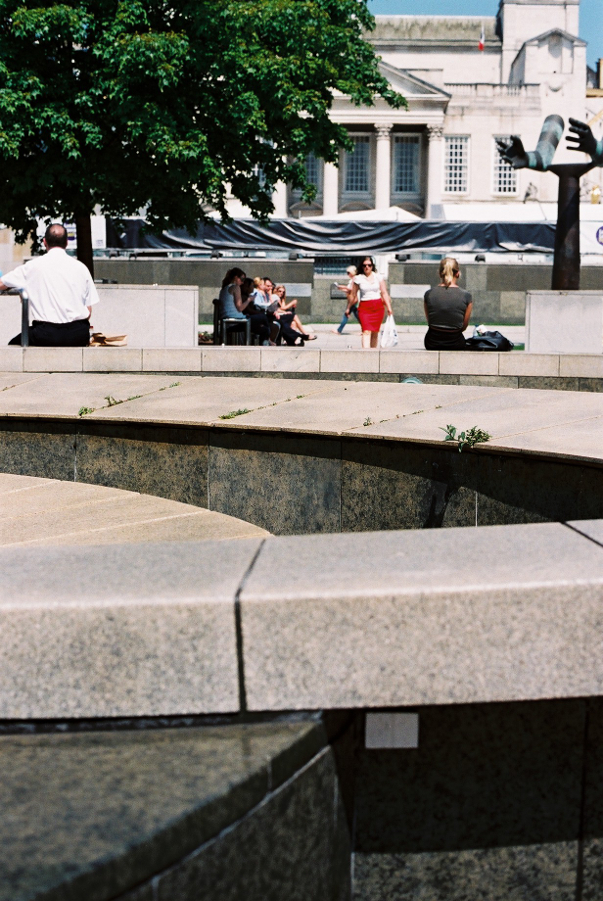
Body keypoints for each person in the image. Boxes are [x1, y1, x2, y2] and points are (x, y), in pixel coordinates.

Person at [0, 223, 99, 346]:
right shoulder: (81, 268)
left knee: (13, 345)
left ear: (44, 242)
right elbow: (88, 311)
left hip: (44, 333)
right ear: (66, 243)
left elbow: (1, 283)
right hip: (78, 334)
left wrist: (13, 286)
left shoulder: (32, 266)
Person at [423, 257, 472, 351]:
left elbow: (430, 322)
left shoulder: (428, 294)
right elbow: (463, 326)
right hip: (456, 343)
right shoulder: (466, 296)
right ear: (457, 274)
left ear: (440, 274)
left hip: (432, 342)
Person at [350, 256, 393, 349]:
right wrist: (348, 308)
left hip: (377, 307)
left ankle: (373, 355)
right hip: (364, 307)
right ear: (361, 267)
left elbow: (384, 293)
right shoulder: (358, 278)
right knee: (366, 331)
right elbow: (353, 295)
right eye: (364, 265)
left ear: (372, 266)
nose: (367, 267)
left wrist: (389, 308)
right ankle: (366, 355)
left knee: (375, 332)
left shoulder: (378, 277)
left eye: (369, 265)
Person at [219, 267, 271, 344]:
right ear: (236, 278)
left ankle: (267, 341)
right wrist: (249, 300)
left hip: (228, 320)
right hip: (236, 321)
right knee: (263, 317)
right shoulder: (235, 287)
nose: (243, 283)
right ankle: (268, 341)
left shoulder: (224, 288)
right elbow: (240, 308)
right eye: (242, 279)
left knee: (264, 329)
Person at [332, 265, 360, 334]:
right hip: (354, 300)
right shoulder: (353, 280)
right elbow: (349, 290)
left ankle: (339, 330)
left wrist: (341, 287)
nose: (348, 274)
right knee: (358, 316)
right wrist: (342, 288)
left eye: (348, 272)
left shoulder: (354, 279)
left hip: (353, 301)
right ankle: (365, 329)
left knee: (346, 314)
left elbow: (351, 289)